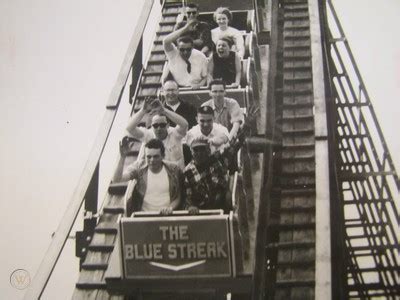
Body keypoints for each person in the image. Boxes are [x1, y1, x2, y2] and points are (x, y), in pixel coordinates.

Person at [183, 114, 253, 215]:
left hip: (224, 205)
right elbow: (188, 197)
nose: (199, 153)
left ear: (208, 150)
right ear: (191, 151)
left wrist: (247, 125)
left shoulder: (218, 158)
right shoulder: (187, 171)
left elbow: (236, 142)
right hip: (203, 211)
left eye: (202, 149)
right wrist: (191, 206)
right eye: (196, 150)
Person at [121, 139, 182, 216]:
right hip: (143, 218)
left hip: (167, 217)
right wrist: (122, 157)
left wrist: (170, 208)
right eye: (148, 157)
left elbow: (178, 197)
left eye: (156, 156)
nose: (152, 160)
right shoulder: (139, 167)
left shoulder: (174, 169)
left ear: (163, 156)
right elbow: (117, 179)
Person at [126, 97, 188, 169]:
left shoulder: (175, 134)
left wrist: (164, 111)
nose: (159, 128)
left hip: (174, 176)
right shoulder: (148, 135)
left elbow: (184, 124)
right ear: (151, 126)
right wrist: (143, 110)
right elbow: (130, 128)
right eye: (155, 125)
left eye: (162, 125)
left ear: (168, 125)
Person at [162, 21, 208, 88]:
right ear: (177, 48)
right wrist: (185, 28)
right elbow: (165, 41)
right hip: (177, 89)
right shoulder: (173, 54)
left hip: (196, 88)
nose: (185, 52)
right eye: (182, 50)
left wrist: (199, 85)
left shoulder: (201, 56)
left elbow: (205, 76)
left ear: (192, 47)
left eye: (188, 49)